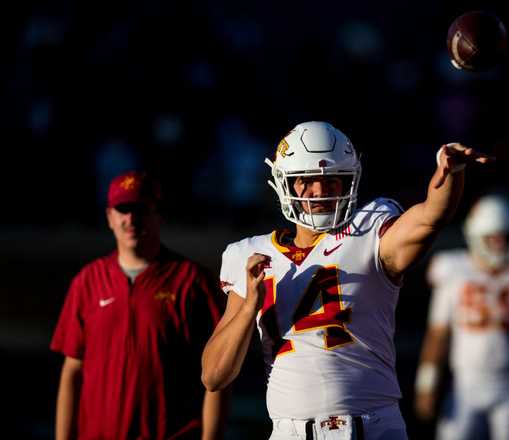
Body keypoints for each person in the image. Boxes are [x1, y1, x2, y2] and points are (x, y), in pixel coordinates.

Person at [201, 121, 492, 440]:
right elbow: (214, 376)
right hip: (288, 432)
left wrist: (449, 176)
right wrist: (248, 310)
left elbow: (429, 218)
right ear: (286, 183)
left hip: (370, 426)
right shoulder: (249, 255)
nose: (321, 191)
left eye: (333, 180)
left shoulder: (369, 231)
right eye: (308, 180)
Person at [51, 171, 228, 440]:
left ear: (159, 215)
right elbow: (72, 371)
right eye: (123, 210)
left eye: (141, 210)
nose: (131, 220)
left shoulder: (192, 282)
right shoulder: (87, 281)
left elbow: (219, 375)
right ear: (110, 217)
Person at [414, 193, 509, 440]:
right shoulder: (453, 271)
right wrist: (426, 384)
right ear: (475, 237)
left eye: (505, 238)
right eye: (492, 239)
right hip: (465, 385)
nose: (500, 245)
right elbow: (438, 335)